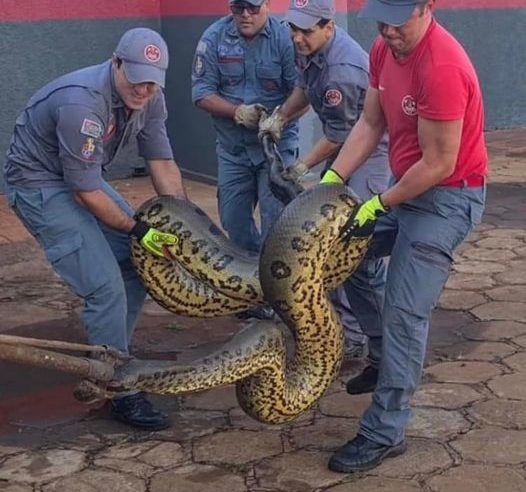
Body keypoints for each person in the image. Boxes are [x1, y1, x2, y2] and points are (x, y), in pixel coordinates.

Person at [316, 0, 487, 472]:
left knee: (404, 312)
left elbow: (439, 164)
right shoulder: (382, 48)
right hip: (404, 187)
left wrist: (378, 204)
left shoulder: (443, 66)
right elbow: (370, 124)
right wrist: (333, 181)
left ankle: (385, 431)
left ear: (427, 7)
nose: (387, 29)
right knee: (347, 256)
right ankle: (379, 356)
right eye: (380, 18)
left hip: (447, 199)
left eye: (398, 18)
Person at [3, 28, 187, 431]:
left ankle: (106, 360)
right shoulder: (82, 103)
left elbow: (162, 161)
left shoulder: (150, 97)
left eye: (152, 81)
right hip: (38, 183)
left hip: (81, 177)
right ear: (116, 62)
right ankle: (118, 387)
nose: (143, 89)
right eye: (135, 76)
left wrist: (184, 223)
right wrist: (140, 230)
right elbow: (85, 193)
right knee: (104, 286)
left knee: (137, 266)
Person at [259, 0, 391, 359]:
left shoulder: (342, 71)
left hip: (368, 155)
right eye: (293, 29)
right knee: (333, 244)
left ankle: (357, 337)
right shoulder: (312, 48)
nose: (297, 37)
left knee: (347, 247)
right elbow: (305, 85)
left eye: (306, 30)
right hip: (344, 149)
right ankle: (353, 327)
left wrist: (301, 167)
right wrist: (281, 116)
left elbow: (343, 135)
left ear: (329, 27)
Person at [191, 0, 301, 320]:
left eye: (253, 8)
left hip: (275, 149)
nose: (245, 16)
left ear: (266, 5)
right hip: (233, 151)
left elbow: (303, 91)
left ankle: (278, 297)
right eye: (239, 8)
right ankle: (254, 289)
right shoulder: (214, 38)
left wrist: (280, 118)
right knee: (235, 223)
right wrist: (236, 112)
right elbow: (200, 93)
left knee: (275, 225)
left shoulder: (284, 38)